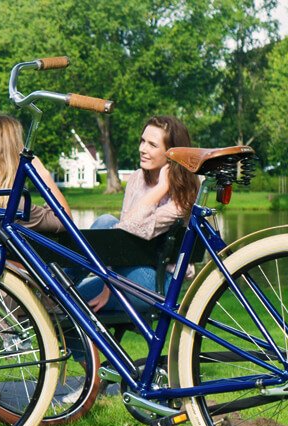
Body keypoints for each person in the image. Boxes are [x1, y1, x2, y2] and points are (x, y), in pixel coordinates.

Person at [75, 115, 200, 313]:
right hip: (123, 274)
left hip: (156, 284)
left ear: (171, 153)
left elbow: (133, 228)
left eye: (152, 144)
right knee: (70, 297)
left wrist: (161, 188)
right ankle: (54, 288)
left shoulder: (182, 196)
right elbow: (121, 240)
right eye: (143, 141)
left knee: (106, 223)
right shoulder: (136, 179)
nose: (143, 149)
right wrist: (107, 289)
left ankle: (49, 287)